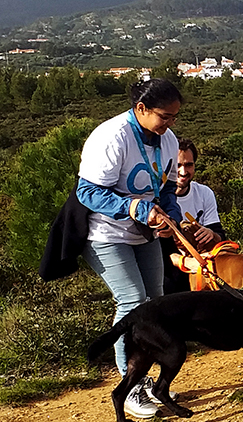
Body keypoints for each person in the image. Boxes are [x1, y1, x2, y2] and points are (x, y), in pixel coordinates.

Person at [78, 78, 183, 419]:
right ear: (141, 109)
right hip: (106, 234)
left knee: (155, 302)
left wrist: (172, 217)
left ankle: (145, 376)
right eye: (164, 116)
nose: (170, 125)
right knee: (133, 302)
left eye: (174, 117)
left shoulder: (167, 140)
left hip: (145, 235)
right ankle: (131, 384)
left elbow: (165, 188)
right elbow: (88, 192)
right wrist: (135, 207)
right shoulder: (111, 137)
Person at [161, 138, 227, 294]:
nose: (183, 172)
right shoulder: (156, 197)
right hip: (170, 267)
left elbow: (220, 235)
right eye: (178, 165)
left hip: (202, 263)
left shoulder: (204, 193)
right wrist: (185, 261)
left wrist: (212, 234)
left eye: (189, 165)